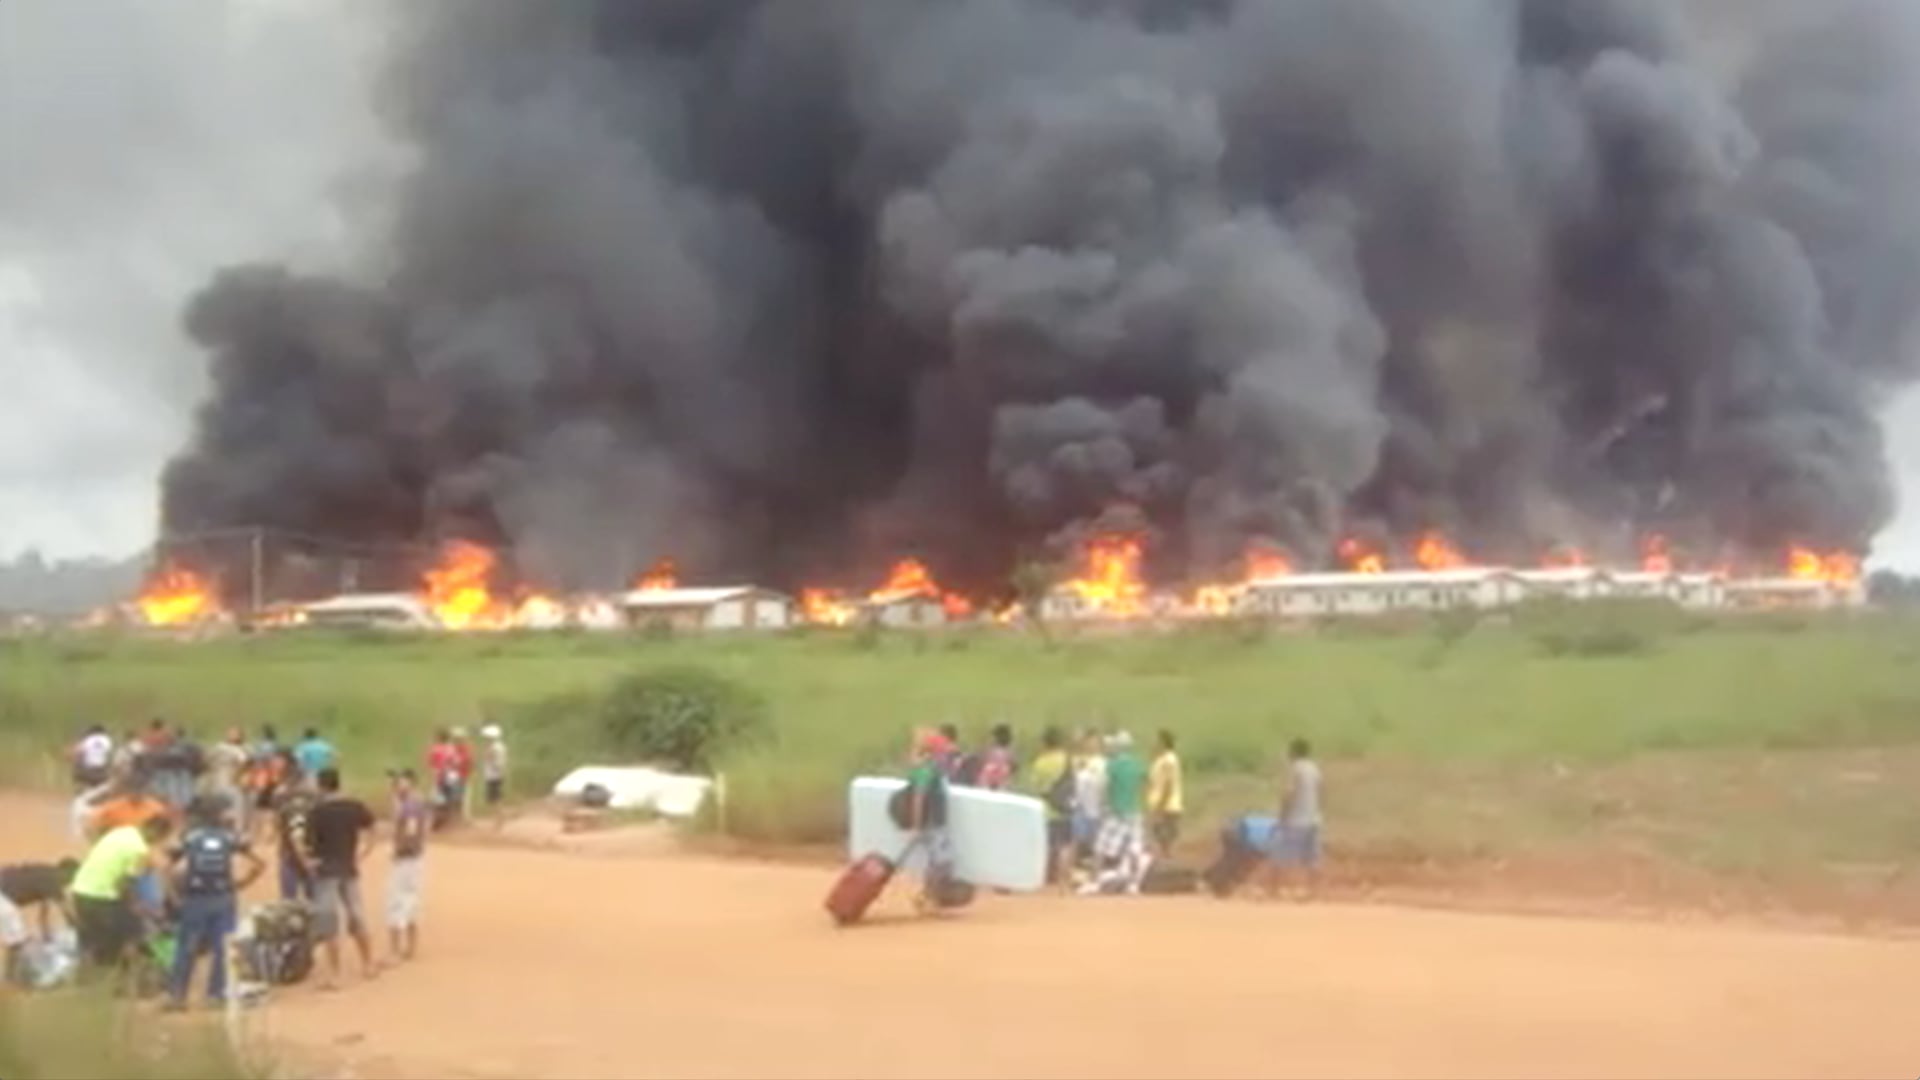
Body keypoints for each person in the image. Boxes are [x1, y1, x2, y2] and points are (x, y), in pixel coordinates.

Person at [165, 794, 264, 1011]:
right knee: (223, 947)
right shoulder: (230, 838)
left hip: (195, 898)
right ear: (216, 814)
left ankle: (177, 996)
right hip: (222, 897)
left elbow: (168, 866)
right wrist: (240, 884)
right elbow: (259, 864)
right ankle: (215, 994)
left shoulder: (189, 837)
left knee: (188, 947)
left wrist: (174, 894)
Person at [70, 814, 173, 977]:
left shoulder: (121, 832)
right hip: (101, 897)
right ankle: (128, 975)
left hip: (79, 890)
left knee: (95, 938)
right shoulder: (138, 849)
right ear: (157, 834)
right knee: (134, 931)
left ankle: (90, 972)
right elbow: (127, 884)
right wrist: (138, 906)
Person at [306, 767, 378, 988]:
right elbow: (372, 827)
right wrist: (365, 851)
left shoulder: (317, 811)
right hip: (348, 866)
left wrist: (310, 863)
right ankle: (368, 963)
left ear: (321, 786)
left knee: (329, 921)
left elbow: (310, 845)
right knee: (356, 914)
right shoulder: (353, 806)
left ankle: (335, 973)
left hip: (326, 869)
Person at [1083, 731, 1150, 895]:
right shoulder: (1137, 764)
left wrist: (1102, 806)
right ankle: (1133, 884)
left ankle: (1094, 882)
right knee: (1134, 848)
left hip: (1116, 811)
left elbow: (1104, 787)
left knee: (1100, 847)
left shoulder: (1112, 766)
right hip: (1134, 810)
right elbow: (1145, 783)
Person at [1261, 738, 1324, 899]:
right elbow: (1320, 792)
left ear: (1294, 752)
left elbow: (1289, 794)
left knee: (1280, 855)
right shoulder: (1314, 769)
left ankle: (1274, 890)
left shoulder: (1295, 769)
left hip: (1296, 820)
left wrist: (1282, 815)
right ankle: (1313, 892)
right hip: (1314, 819)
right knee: (1312, 858)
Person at [902, 729, 955, 914]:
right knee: (942, 862)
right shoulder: (926, 770)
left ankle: (927, 898)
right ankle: (927, 898)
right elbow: (918, 798)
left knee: (936, 862)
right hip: (932, 824)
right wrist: (916, 826)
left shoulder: (931, 770)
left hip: (936, 823)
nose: (945, 756)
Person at [0, 859, 77, 985]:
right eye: (72, 877)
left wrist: (47, 934)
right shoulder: (54, 880)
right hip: (3, 897)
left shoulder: (45, 872)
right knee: (17, 941)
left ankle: (10, 976)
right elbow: (66, 911)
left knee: (16, 939)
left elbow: (44, 913)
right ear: (67, 872)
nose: (70, 882)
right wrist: (78, 930)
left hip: (3, 892)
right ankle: (9, 978)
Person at [1024, 726, 1074, 887]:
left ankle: (1044, 877)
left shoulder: (1040, 763)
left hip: (1045, 809)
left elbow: (1034, 787)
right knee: (1065, 844)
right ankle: (1063, 878)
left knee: (1046, 845)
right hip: (1064, 807)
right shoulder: (1067, 759)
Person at [387, 769, 428, 961]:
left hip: (407, 859)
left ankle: (395, 950)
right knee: (411, 901)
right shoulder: (410, 803)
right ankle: (410, 948)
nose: (398, 787)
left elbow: (410, 832)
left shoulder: (410, 806)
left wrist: (399, 850)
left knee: (396, 902)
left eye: (402, 783)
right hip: (414, 858)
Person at [271, 768, 318, 902]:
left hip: (288, 852)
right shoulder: (314, 796)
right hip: (312, 851)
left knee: (288, 899)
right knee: (314, 898)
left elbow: (277, 821)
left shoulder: (280, 796)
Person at [1069, 730, 1108, 872]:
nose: (1092, 745)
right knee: (1076, 840)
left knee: (1097, 843)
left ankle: (1096, 872)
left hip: (1098, 807)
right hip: (1080, 807)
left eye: (1095, 742)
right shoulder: (1077, 760)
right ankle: (1070, 871)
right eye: (1089, 742)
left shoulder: (1103, 763)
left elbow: (1106, 784)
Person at [204, 728, 251, 831]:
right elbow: (207, 761)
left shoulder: (243, 749)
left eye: (236, 734)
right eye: (232, 734)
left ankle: (238, 829)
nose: (234, 736)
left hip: (230, 783)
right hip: (220, 783)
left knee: (239, 804)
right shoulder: (220, 747)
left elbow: (245, 763)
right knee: (225, 805)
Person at [1147, 729, 1184, 857]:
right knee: (1158, 830)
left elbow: (1169, 782)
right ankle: (1165, 852)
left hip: (1167, 803)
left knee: (1164, 830)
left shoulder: (1169, 759)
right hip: (1158, 801)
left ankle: (1167, 853)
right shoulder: (1160, 759)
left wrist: (1161, 803)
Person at [479, 725, 509, 824]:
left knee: (494, 798)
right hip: (497, 773)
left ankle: (500, 817)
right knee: (496, 797)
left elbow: (489, 758)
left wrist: (487, 751)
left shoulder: (493, 747)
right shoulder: (500, 746)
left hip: (493, 775)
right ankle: (499, 816)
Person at [974, 723, 1016, 791]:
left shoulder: (989, 751)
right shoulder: (1010, 754)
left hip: (987, 785)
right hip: (1000, 786)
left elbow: (979, 763)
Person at [70, 725, 113, 791]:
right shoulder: (106, 740)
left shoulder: (88, 739)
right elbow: (108, 753)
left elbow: (77, 751)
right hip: (102, 769)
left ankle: (80, 786)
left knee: (77, 761)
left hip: (88, 769)